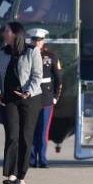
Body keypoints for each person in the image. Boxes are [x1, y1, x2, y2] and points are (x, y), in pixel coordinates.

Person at [0, 22, 42, 184]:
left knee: (25, 137)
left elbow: (37, 76)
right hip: (9, 99)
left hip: (30, 99)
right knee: (12, 135)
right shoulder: (2, 52)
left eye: (6, 31)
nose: (3, 33)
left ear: (15, 34)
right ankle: (11, 174)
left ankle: (21, 176)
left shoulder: (32, 51)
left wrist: (28, 91)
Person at [27, 28, 62, 168]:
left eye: (39, 40)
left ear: (43, 41)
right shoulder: (25, 55)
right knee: (30, 129)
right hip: (30, 96)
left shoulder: (51, 56)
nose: (36, 42)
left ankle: (42, 158)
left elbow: (58, 79)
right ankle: (30, 159)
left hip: (46, 97)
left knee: (43, 130)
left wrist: (55, 97)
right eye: (34, 40)